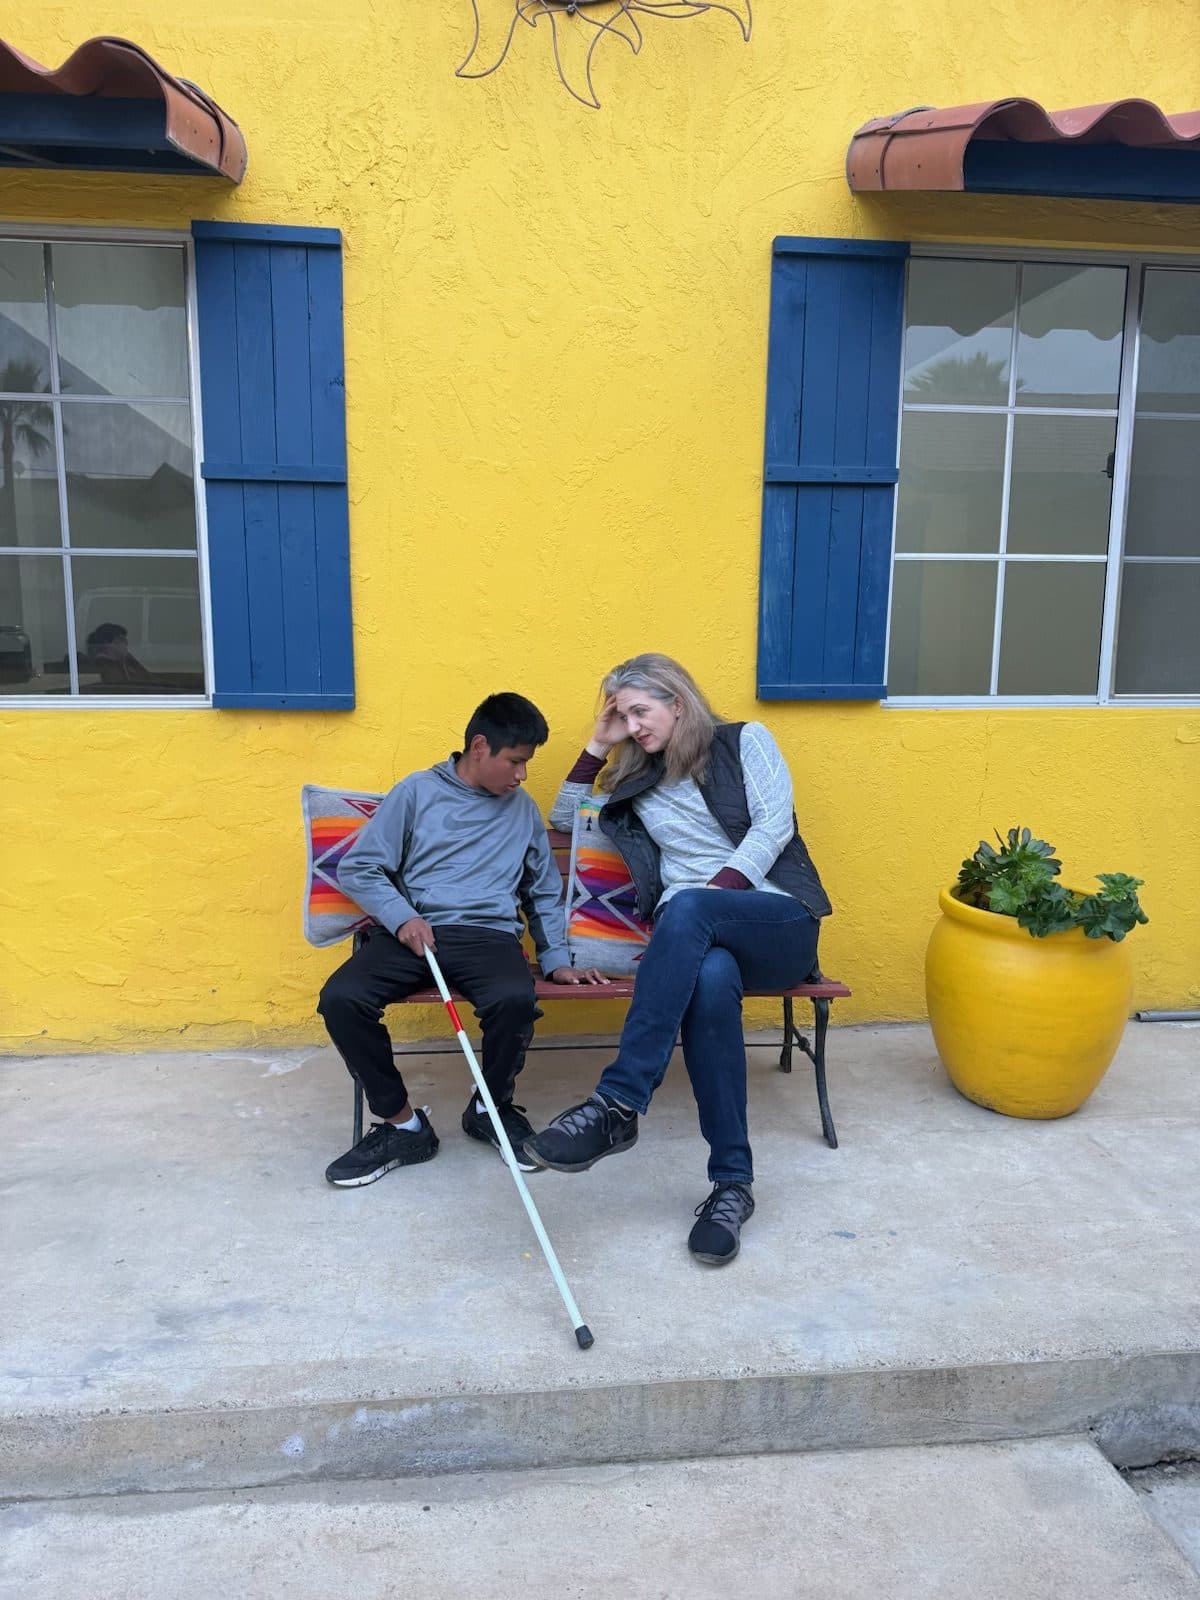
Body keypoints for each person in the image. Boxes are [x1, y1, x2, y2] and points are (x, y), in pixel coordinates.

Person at [525, 654, 831, 1265]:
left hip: (776, 922)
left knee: (687, 908)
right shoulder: (632, 782)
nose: (633, 725)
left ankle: (616, 1105)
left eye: (641, 711)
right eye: (623, 715)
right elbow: (564, 818)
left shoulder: (743, 742)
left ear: (679, 704)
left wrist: (711, 895)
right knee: (711, 979)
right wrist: (597, 743)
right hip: (699, 943)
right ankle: (732, 1186)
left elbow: (772, 826)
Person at [318, 692, 607, 1188]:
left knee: (516, 999)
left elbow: (540, 891)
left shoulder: (521, 812)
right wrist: (402, 917)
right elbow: (360, 867)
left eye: (526, 764)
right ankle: (403, 1125)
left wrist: (557, 958)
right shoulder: (415, 793)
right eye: (515, 761)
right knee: (341, 999)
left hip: (489, 937)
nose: (521, 775)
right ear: (479, 747)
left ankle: (489, 1108)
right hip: (414, 933)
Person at [86, 623, 154, 684]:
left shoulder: (128, 661)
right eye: (121, 640)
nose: (126, 643)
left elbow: (150, 679)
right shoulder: (100, 666)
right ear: (107, 643)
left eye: (125, 640)